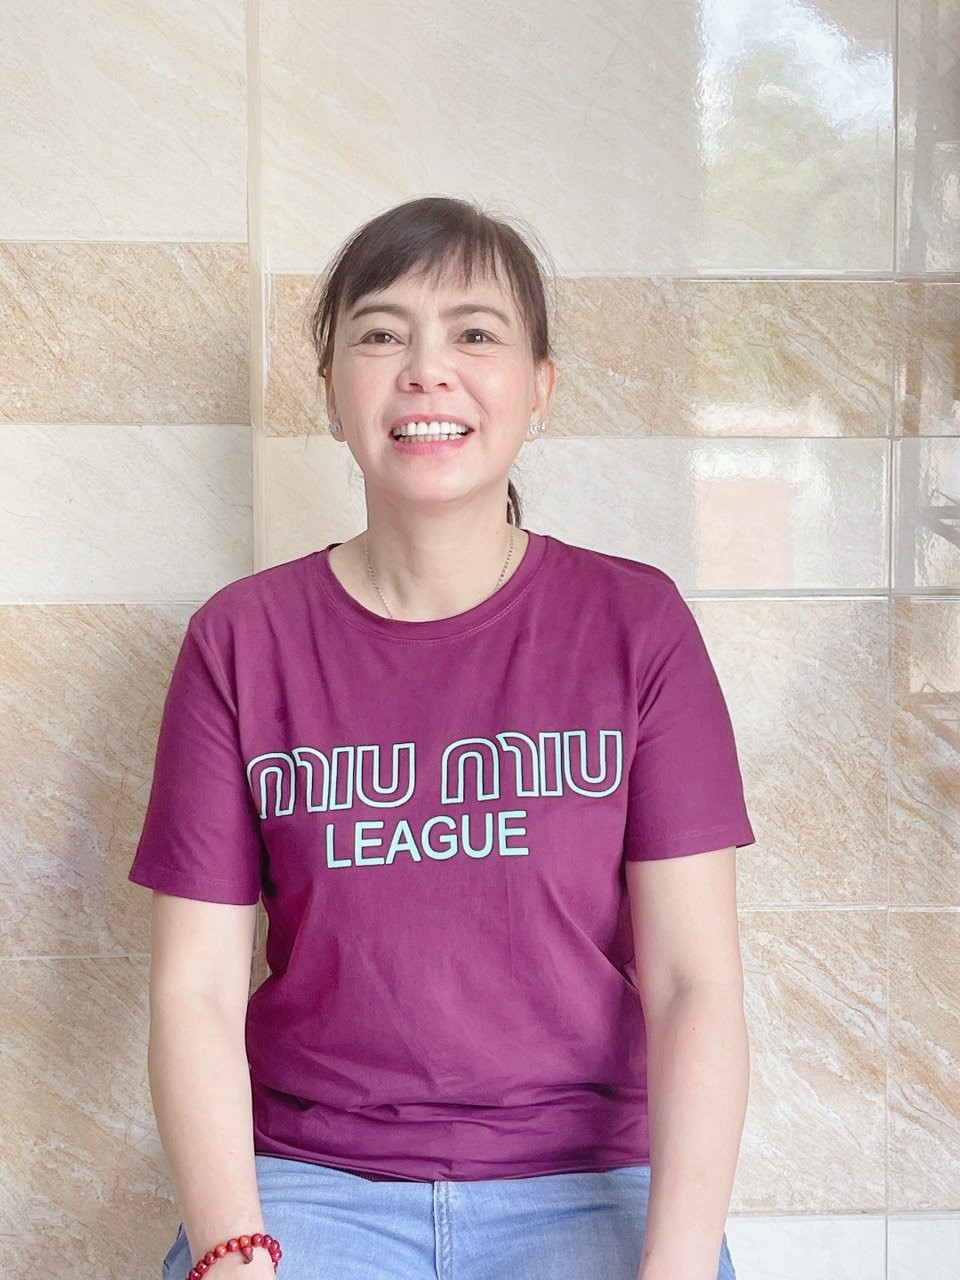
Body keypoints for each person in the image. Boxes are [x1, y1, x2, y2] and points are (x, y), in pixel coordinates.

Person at [129, 195, 755, 1280]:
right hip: (311, 1181)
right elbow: (196, 990)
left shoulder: (635, 625)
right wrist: (234, 1246)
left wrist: (679, 1264)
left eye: (474, 334)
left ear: (539, 389)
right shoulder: (241, 640)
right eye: (381, 335)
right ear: (333, 392)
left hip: (583, 1176)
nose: (427, 371)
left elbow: (694, 982)